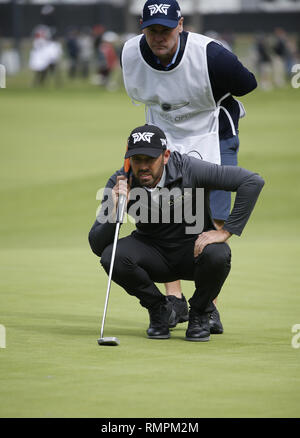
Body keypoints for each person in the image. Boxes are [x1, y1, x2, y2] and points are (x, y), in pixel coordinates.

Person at [120, 0, 258, 332]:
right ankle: (175, 301)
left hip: (213, 132)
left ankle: (206, 304)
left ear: (180, 25)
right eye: (152, 30)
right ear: (143, 28)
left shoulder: (211, 54)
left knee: (213, 215)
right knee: (167, 213)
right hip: (163, 139)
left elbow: (247, 84)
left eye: (166, 29)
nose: (159, 36)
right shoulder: (130, 53)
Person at [88, 124, 264, 342]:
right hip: (152, 252)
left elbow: (251, 181)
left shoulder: (189, 168)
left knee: (218, 253)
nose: (142, 166)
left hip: (193, 252)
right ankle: (160, 310)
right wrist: (115, 211)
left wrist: (226, 231)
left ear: (165, 156)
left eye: (149, 159)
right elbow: (97, 246)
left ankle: (200, 313)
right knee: (112, 256)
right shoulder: (121, 182)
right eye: (136, 159)